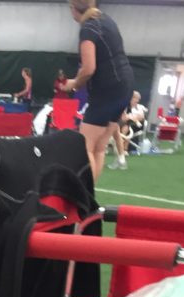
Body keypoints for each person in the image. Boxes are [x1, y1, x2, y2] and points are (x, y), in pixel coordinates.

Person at [64, 0, 133, 180]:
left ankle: (85, 195)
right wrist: (76, 79)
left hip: (107, 90)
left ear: (73, 8)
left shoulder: (88, 28)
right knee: (99, 146)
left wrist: (74, 84)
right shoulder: (106, 20)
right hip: (124, 86)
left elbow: (89, 68)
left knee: (85, 146)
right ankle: (90, 193)